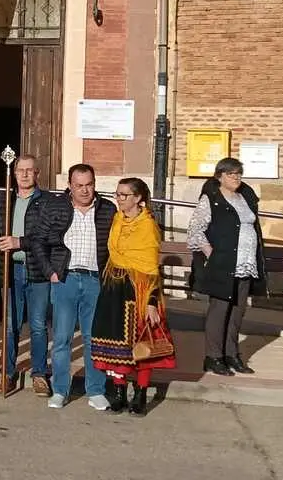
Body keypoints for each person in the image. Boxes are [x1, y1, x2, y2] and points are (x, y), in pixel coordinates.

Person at [27, 163, 116, 410]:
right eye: (79, 186)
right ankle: (60, 390)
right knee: (63, 337)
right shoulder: (55, 206)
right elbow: (37, 240)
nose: (85, 190)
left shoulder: (107, 209)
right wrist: (50, 271)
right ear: (70, 185)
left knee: (93, 338)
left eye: (89, 185)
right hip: (65, 278)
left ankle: (95, 390)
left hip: (95, 280)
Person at [92, 178, 176, 415]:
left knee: (140, 344)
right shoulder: (118, 219)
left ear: (138, 198)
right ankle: (118, 392)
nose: (119, 199)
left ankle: (140, 393)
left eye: (124, 195)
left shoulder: (147, 226)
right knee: (115, 343)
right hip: (114, 287)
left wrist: (151, 302)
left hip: (139, 290)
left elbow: (151, 268)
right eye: (117, 194)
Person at [187, 157, 266, 376]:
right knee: (219, 310)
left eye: (239, 173)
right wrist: (212, 254)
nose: (236, 178)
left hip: (245, 262)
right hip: (223, 262)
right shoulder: (211, 198)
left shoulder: (244, 198)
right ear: (219, 176)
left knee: (238, 311)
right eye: (231, 174)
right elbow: (195, 230)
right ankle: (213, 357)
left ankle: (232, 354)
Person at [0, 154, 52, 396]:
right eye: (21, 170)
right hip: (10, 269)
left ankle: (39, 373)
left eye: (30, 170)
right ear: (14, 173)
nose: (25, 174)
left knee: (38, 326)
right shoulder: (3, 199)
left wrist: (21, 242)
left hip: (36, 270)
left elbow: (49, 234)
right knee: (10, 326)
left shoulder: (47, 202)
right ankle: (7, 373)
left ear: (37, 173)